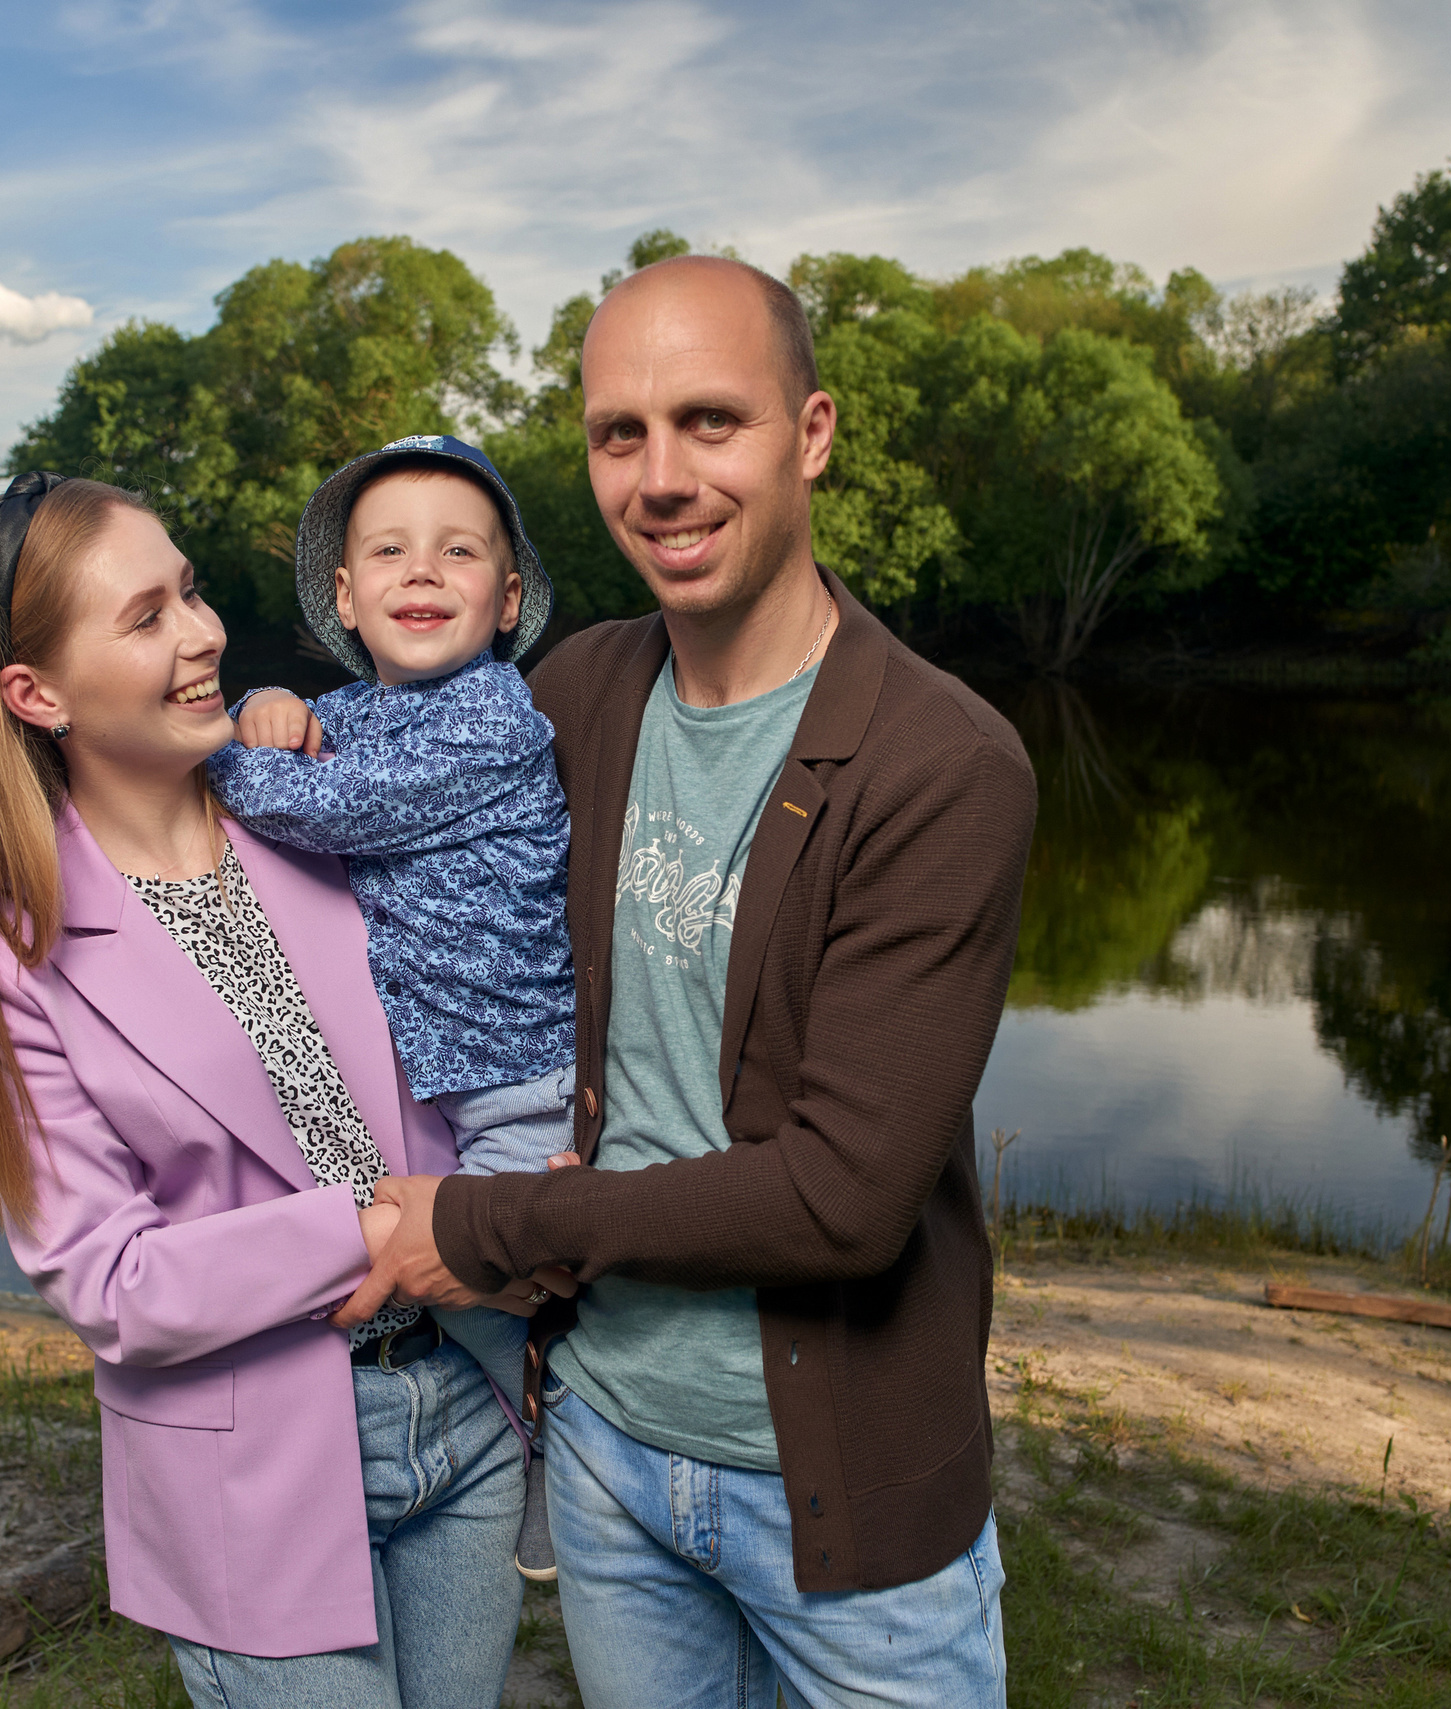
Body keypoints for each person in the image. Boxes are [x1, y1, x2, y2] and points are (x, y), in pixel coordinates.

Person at [338, 256, 1038, 1708]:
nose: (661, 478)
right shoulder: (574, 693)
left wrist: (483, 1223)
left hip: (836, 1490)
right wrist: (282, 729)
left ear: (814, 433)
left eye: (712, 422)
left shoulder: (942, 765)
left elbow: (842, 1199)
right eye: (619, 434)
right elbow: (391, 780)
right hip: (598, 1451)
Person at [0, 472, 565, 1708]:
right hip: (255, 1469)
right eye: (146, 616)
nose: (204, 631)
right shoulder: (8, 952)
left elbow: (480, 999)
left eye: (190, 589)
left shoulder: (320, 805)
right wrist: (376, 1226)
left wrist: (523, 1207)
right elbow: (112, 1281)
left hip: (467, 1407)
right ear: (33, 692)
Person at [206, 435, 578, 1579]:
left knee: (496, 1287)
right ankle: (535, 1436)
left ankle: (559, 1454)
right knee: (457, 1280)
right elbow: (308, 738)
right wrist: (267, 697)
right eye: (390, 552)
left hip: (516, 1069)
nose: (422, 571)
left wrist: (210, 747)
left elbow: (318, 807)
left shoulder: (492, 717)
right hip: (428, 1083)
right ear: (346, 598)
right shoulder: (359, 712)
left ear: (506, 599)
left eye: (458, 551)